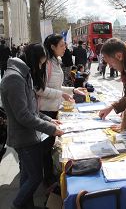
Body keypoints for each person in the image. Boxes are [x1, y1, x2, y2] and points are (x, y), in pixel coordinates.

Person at [0, 43, 64, 209]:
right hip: (24, 137)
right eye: (41, 63)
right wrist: (51, 129)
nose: (41, 67)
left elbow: (32, 109)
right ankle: (18, 204)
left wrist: (49, 120)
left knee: (28, 175)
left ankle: (25, 204)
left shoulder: (22, 73)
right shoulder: (14, 78)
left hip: (29, 134)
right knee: (35, 177)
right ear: (34, 60)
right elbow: (23, 115)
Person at [36, 34, 85, 186]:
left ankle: (48, 175)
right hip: (45, 110)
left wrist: (73, 90)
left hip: (54, 108)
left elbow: (57, 88)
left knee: (49, 145)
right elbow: (40, 89)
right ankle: (46, 179)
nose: (65, 48)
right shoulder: (46, 64)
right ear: (52, 47)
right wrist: (62, 94)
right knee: (45, 147)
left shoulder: (56, 62)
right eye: (62, 45)